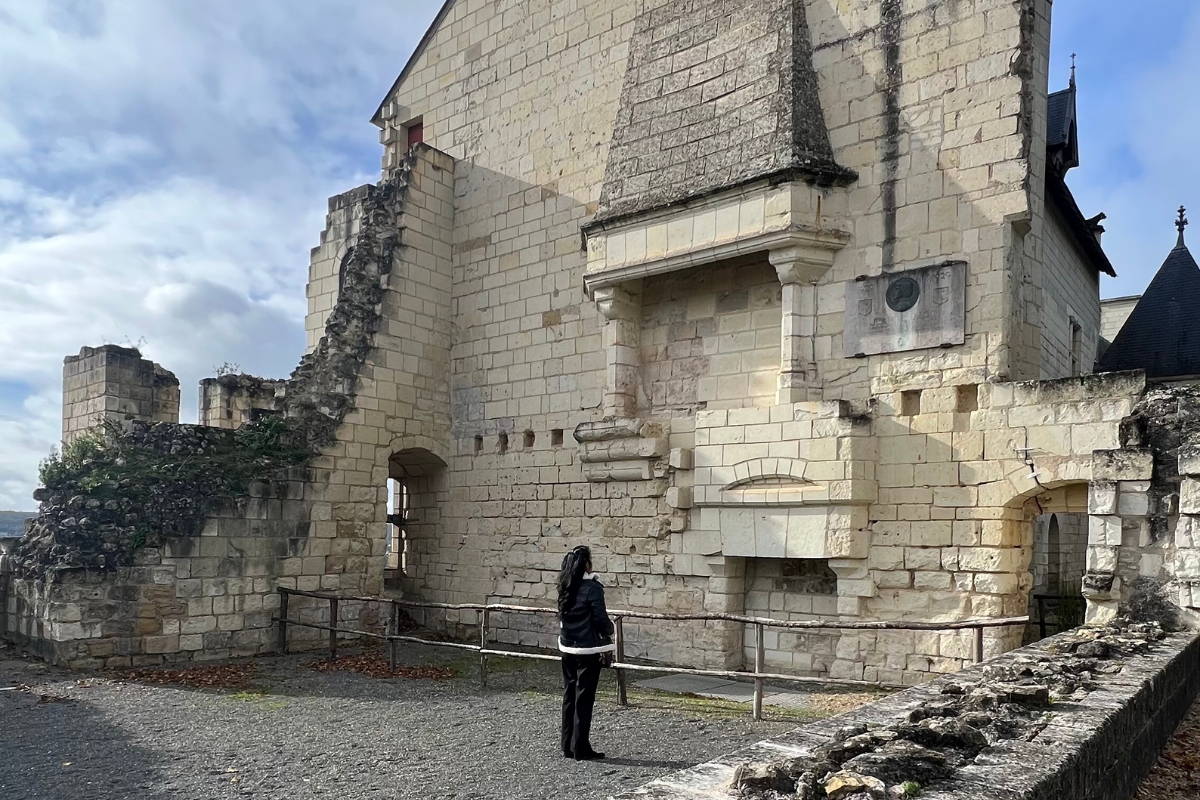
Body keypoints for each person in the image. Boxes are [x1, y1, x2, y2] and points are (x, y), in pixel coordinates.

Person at [556, 545, 615, 761]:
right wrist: (610, 629)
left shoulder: (565, 586)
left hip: (567, 646)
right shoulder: (593, 588)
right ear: (587, 564)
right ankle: (580, 747)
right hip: (588, 648)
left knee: (569, 695)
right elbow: (600, 618)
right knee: (584, 697)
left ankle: (567, 745)